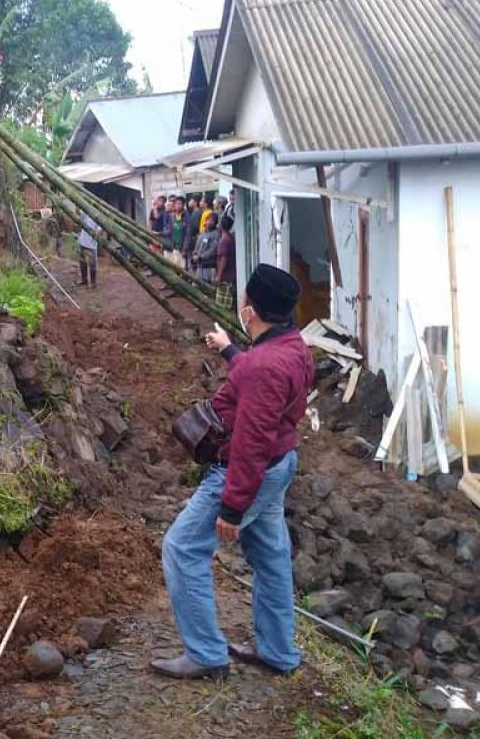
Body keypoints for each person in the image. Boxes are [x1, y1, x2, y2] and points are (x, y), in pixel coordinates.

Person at [151, 263, 314, 680]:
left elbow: (252, 440)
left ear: (250, 311)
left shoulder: (264, 366)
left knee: (183, 548)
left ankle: (206, 654)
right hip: (280, 463)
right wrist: (228, 350)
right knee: (271, 557)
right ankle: (278, 652)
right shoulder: (293, 346)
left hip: (248, 472)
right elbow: (260, 376)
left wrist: (233, 507)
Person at [215, 212, 237, 311]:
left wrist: (219, 276)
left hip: (225, 276)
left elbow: (223, 259)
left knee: (222, 303)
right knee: (227, 302)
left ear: (221, 226)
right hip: (231, 274)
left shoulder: (224, 241)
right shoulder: (231, 238)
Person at [193, 212, 220, 283]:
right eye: (208, 220)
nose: (209, 222)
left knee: (208, 287)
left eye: (212, 221)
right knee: (199, 285)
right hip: (199, 265)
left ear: (215, 223)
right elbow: (197, 246)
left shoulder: (216, 234)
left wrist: (201, 257)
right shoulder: (202, 233)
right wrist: (195, 254)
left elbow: (213, 249)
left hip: (209, 266)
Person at [77, 213, 99, 288]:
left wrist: (97, 231)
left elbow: (99, 229)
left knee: (92, 264)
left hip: (91, 244)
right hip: (83, 241)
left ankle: (93, 283)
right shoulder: (86, 214)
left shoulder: (98, 217)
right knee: (82, 262)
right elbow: (79, 217)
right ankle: (84, 279)